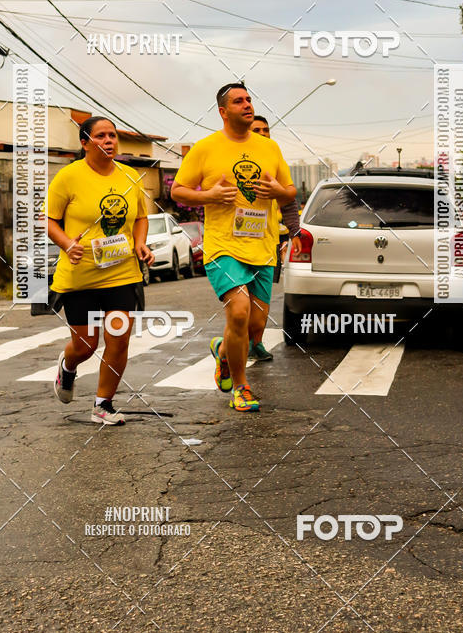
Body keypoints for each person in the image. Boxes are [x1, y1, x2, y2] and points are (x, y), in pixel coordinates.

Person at [171, 83, 296, 412]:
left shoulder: (269, 148)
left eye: (249, 99)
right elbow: (179, 191)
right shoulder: (205, 148)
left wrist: (276, 191)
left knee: (254, 328)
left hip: (263, 248)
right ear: (224, 111)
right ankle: (241, 387)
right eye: (238, 101)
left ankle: (223, 350)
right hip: (222, 246)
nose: (247, 104)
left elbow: (290, 191)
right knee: (238, 312)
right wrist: (209, 196)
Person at [45, 116, 154, 425]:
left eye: (113, 135)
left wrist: (140, 243)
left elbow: (141, 217)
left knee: (119, 339)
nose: (109, 141)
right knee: (86, 345)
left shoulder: (130, 175)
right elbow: (49, 220)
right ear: (85, 143)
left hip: (122, 274)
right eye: (101, 136)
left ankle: (103, 404)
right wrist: (67, 243)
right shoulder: (68, 177)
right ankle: (68, 366)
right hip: (80, 275)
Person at [249, 115, 303, 360]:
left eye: (266, 129)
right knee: (239, 305)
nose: (262, 133)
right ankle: (232, 347)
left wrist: (295, 232)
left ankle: (256, 342)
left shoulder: (274, 159)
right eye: (256, 129)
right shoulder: (229, 156)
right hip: (231, 245)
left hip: (266, 242)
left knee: (260, 305)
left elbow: (289, 201)